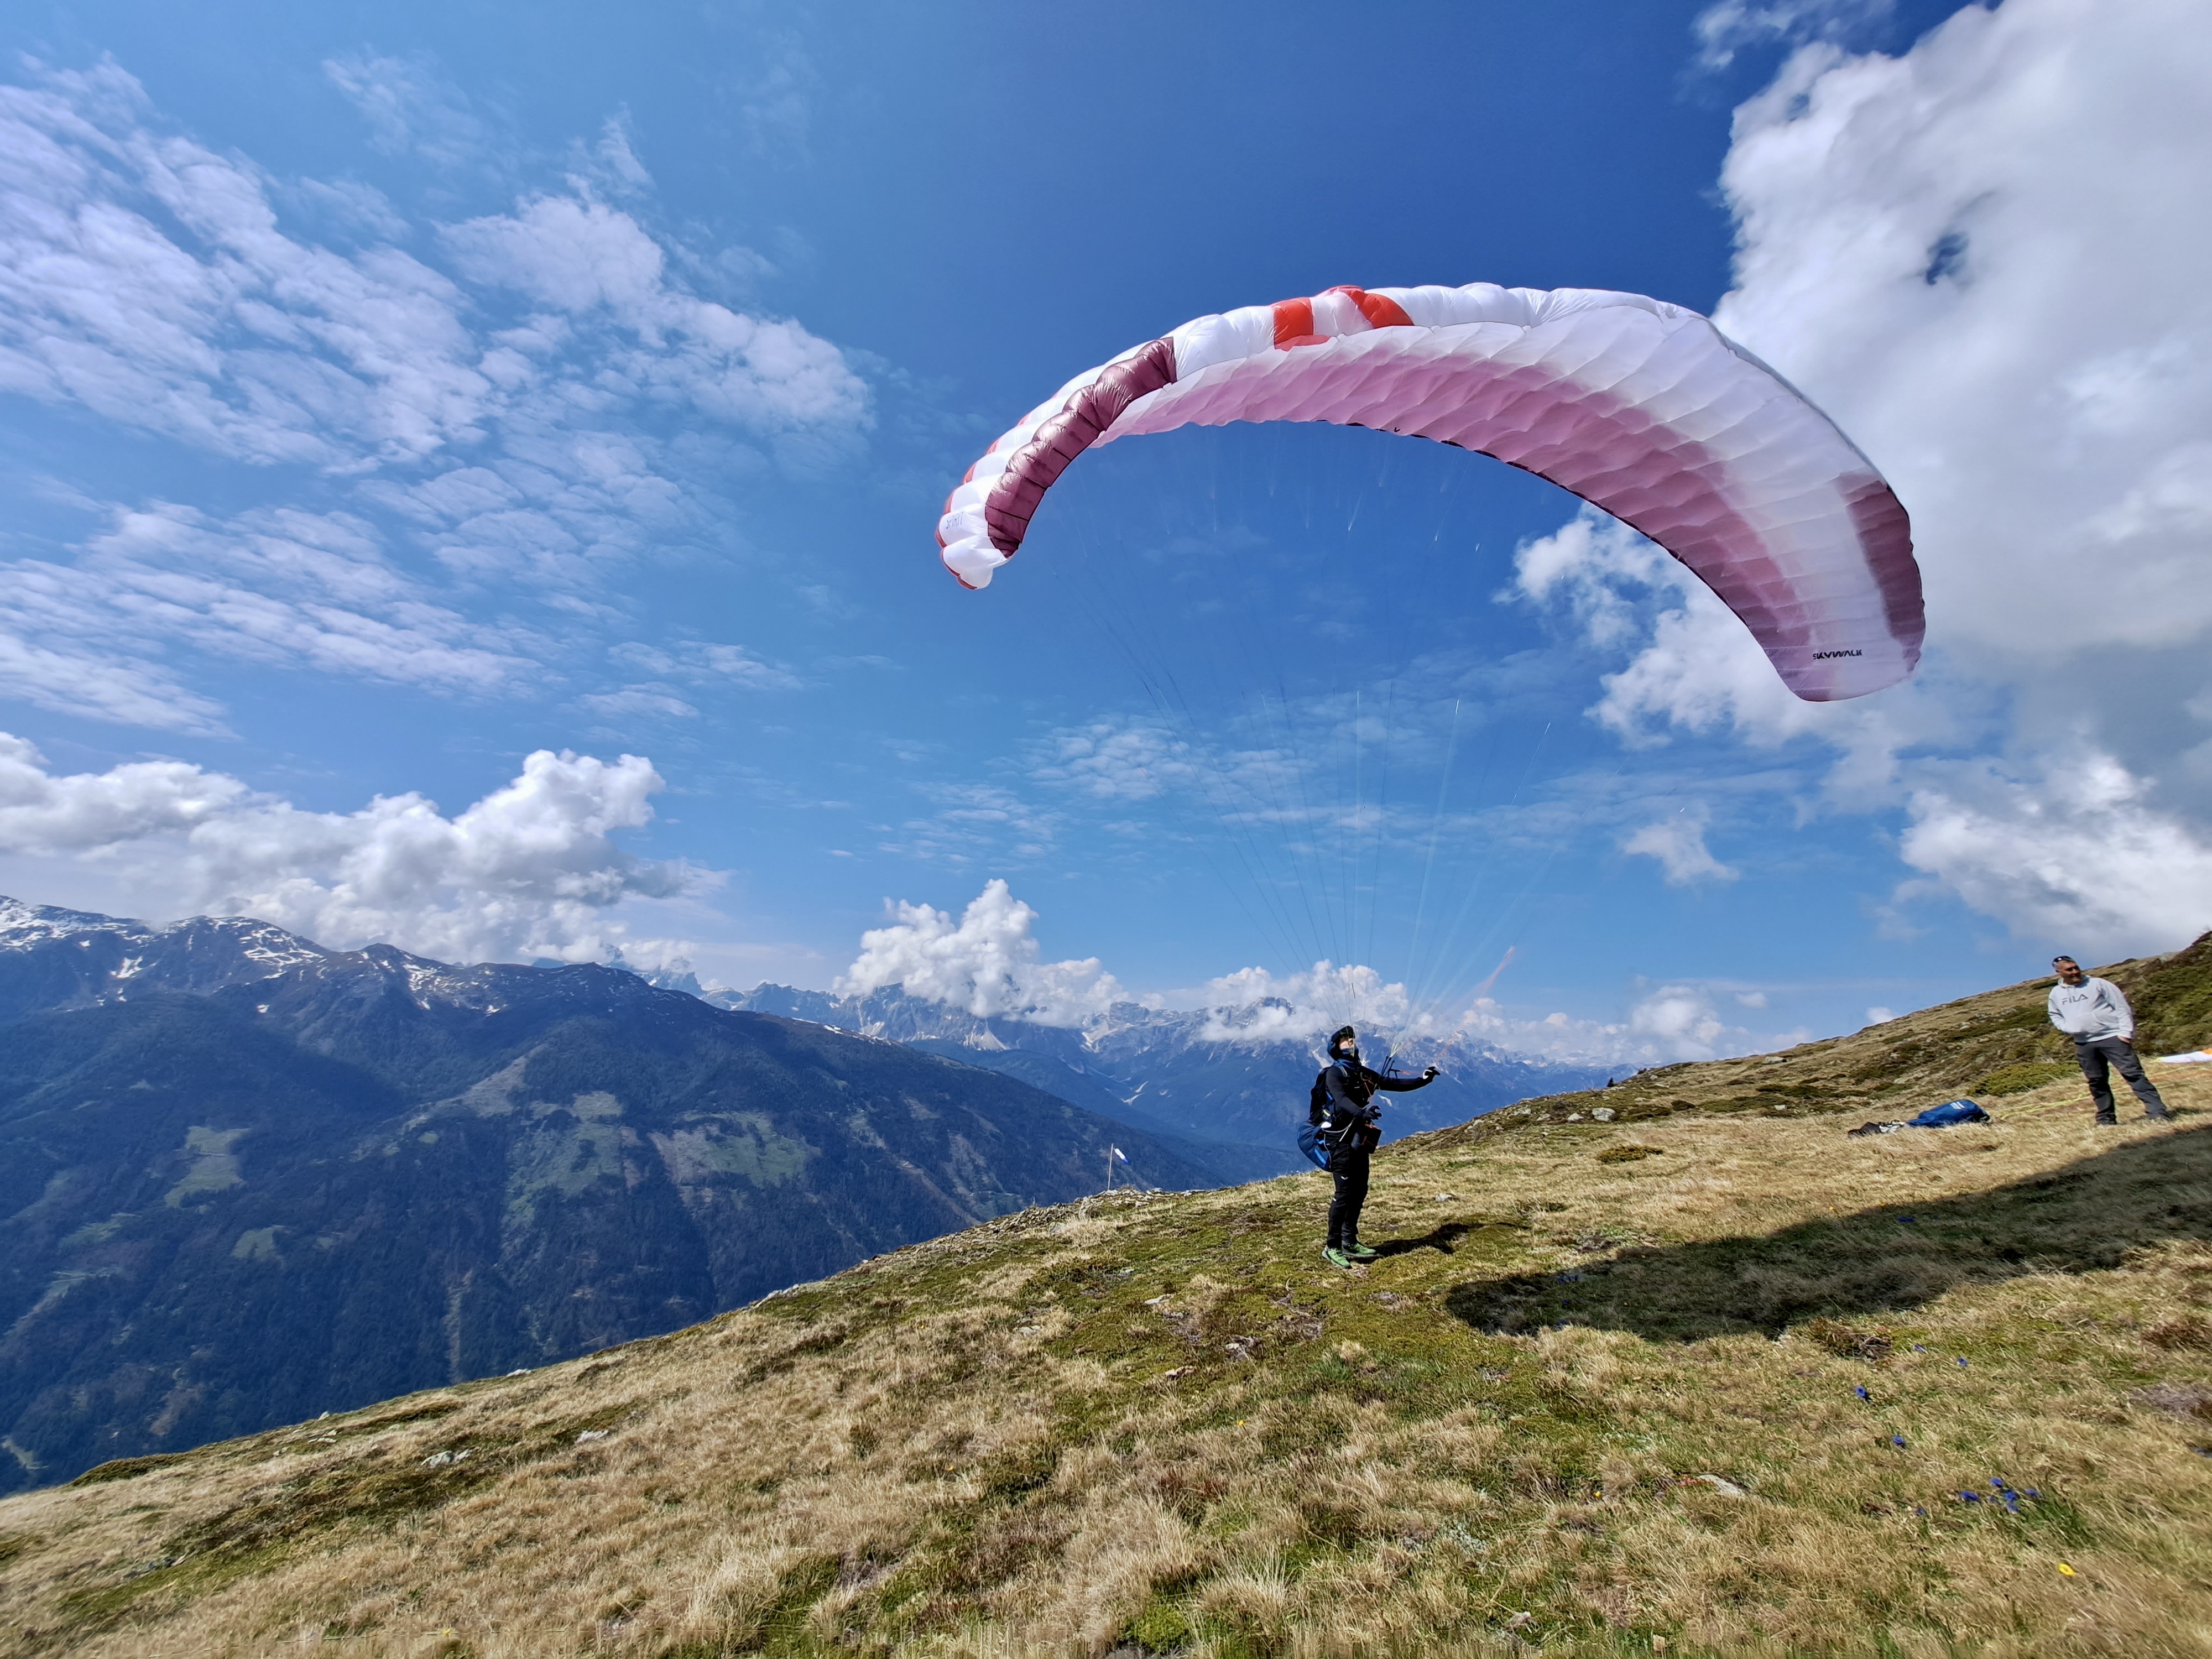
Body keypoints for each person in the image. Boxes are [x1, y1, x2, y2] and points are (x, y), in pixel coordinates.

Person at [1315, 1026, 1438, 1268]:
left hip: (1358, 1138)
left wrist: (1422, 1080)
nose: (1351, 1043)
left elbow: (1389, 1083)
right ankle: (1332, 1247)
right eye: (1345, 1041)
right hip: (1340, 1139)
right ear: (1336, 1048)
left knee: (1360, 1189)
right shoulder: (1334, 1073)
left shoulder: (1360, 1072)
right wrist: (1362, 1112)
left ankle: (1350, 1241)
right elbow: (1341, 1100)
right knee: (1344, 1193)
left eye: (1352, 1040)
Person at [2047, 956, 2169, 1125]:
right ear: (2058, 972)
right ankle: (2106, 1119)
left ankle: (2157, 1112)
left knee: (2133, 1074)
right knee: (2097, 1081)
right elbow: (2054, 1014)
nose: (2075, 972)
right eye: (2069, 970)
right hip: (2085, 1043)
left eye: (2076, 967)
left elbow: (2121, 1007)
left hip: (2112, 1038)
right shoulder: (2056, 993)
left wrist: (2125, 1033)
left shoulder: (2099, 984)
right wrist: (2068, 1028)